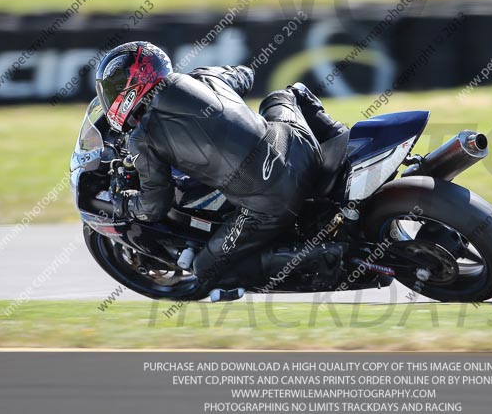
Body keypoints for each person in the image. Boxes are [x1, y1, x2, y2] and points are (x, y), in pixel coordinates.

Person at [94, 41, 347, 298]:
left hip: (272, 199)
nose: (110, 96)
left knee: (206, 270)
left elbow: (155, 206)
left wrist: (123, 203)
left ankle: (326, 256)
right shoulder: (203, 78)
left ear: (131, 87)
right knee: (285, 95)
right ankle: (342, 140)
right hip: (296, 144)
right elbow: (246, 75)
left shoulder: (143, 137)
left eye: (113, 88)